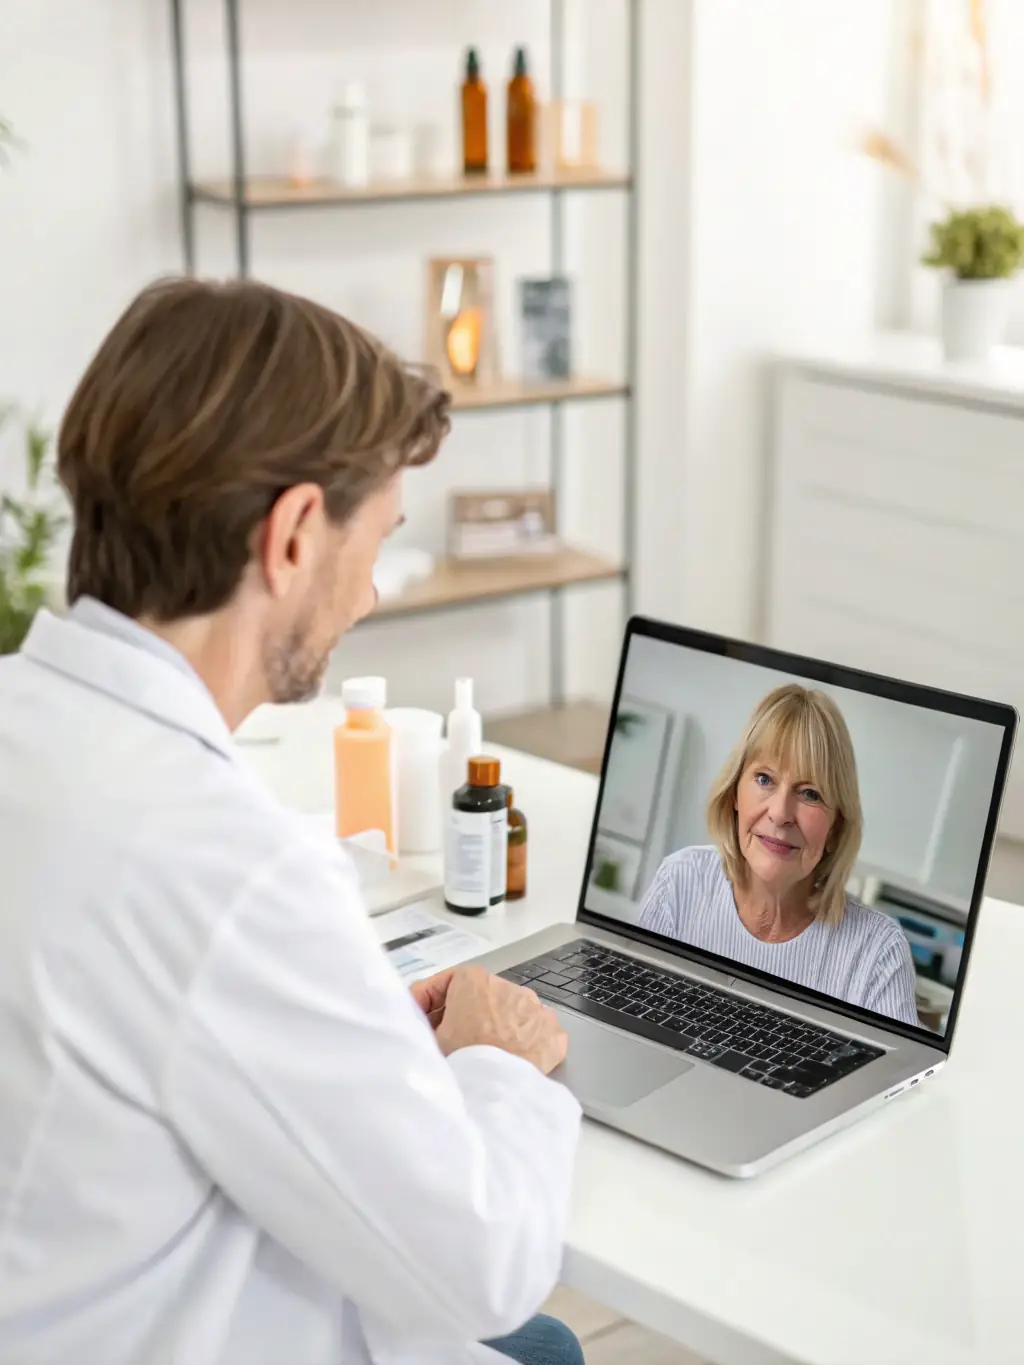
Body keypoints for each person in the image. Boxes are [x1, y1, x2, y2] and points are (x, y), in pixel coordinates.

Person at [0, 278, 585, 1365]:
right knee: (537, 1342)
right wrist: (497, 1061)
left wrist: (351, 1027)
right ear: (295, 534)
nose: (367, 596)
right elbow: (488, 1266)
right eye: (378, 542)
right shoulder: (227, 867)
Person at [638, 684, 919, 1026]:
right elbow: (632, 1026)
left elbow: (897, 1079)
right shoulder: (680, 883)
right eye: (764, 779)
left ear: (836, 828)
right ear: (735, 796)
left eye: (810, 794)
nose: (781, 813)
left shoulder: (878, 953)